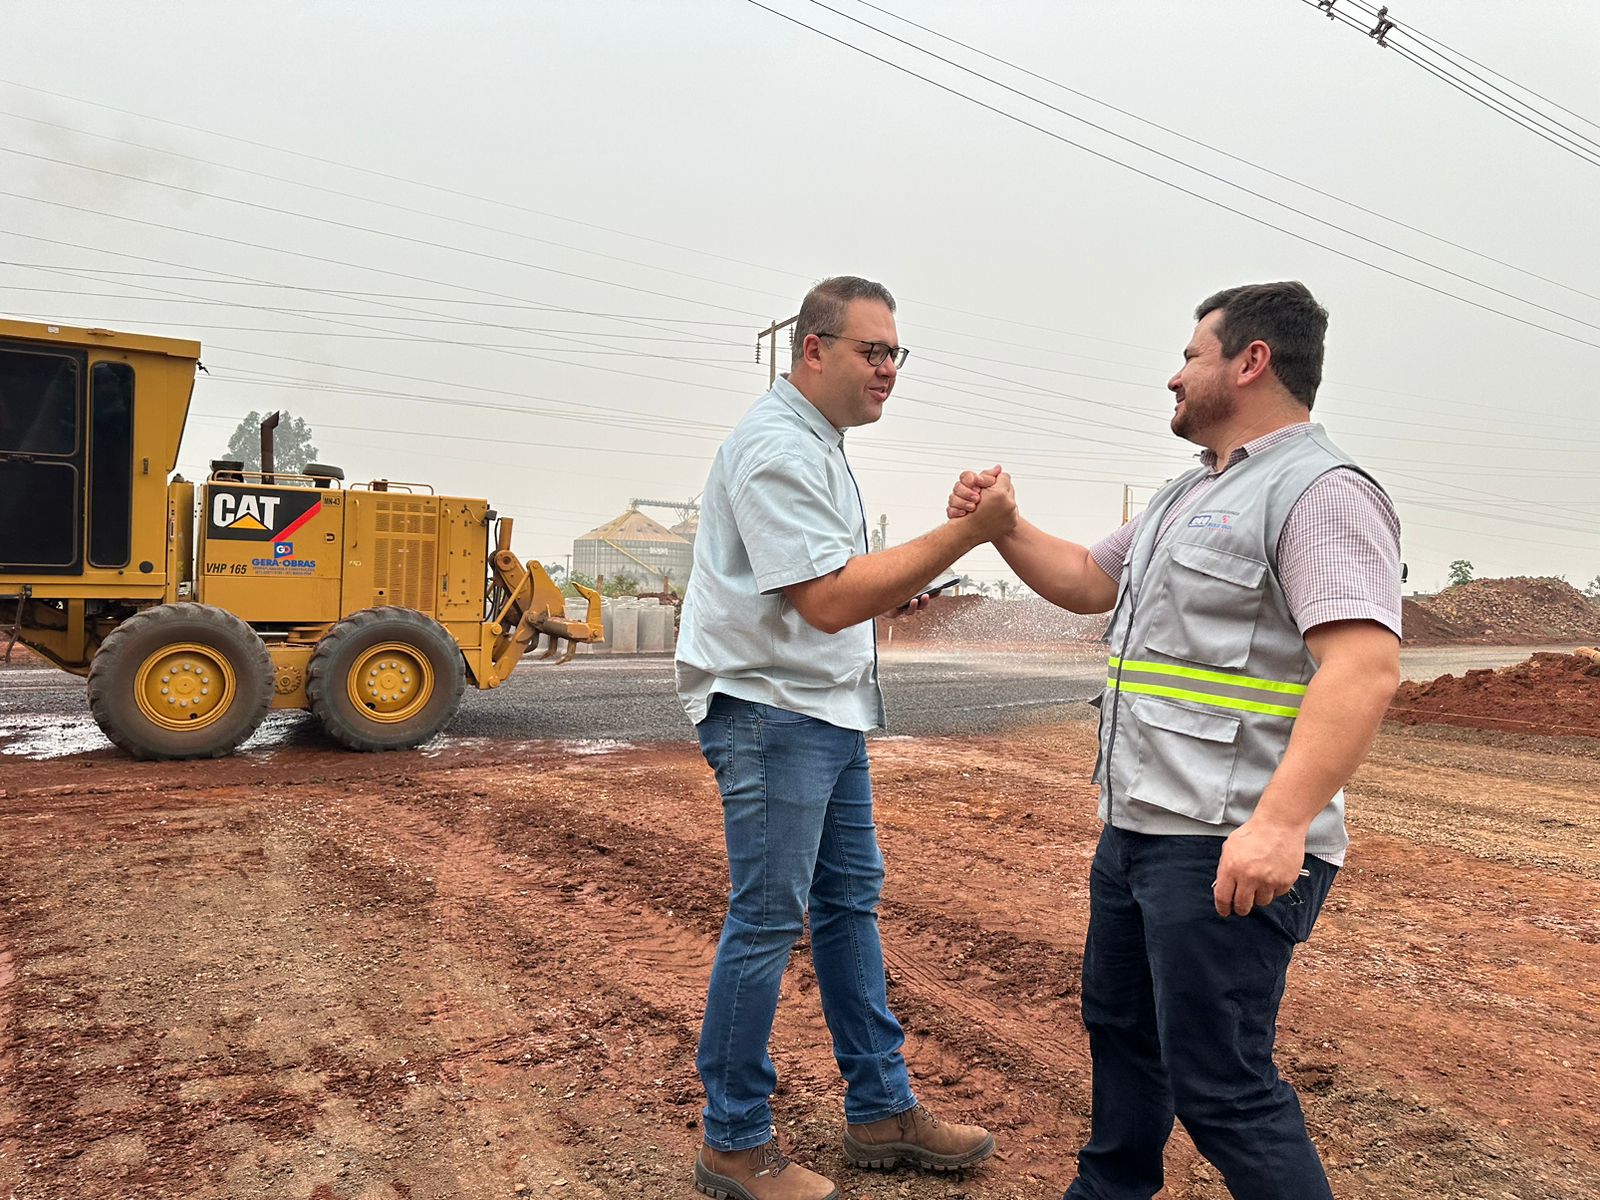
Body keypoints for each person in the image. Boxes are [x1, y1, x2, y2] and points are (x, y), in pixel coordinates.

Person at [949, 281, 1402, 1200]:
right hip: (1140, 830)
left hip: (1227, 841)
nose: (1174, 376)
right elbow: (1086, 581)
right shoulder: (1189, 492)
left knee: (1223, 1088)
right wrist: (1003, 527)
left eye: (1192, 356)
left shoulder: (1320, 492)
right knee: (1122, 1034)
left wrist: (1280, 825)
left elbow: (1362, 668)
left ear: (1251, 362)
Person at [677, 275, 1010, 1200]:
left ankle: (880, 1108)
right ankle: (733, 1142)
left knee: (846, 904)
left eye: (896, 353)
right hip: (771, 712)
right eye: (873, 350)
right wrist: (966, 536)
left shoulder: (817, 442)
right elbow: (825, 602)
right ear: (813, 348)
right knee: (767, 919)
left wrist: (920, 560)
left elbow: (833, 582)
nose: (888, 368)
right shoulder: (776, 447)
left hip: (821, 709)